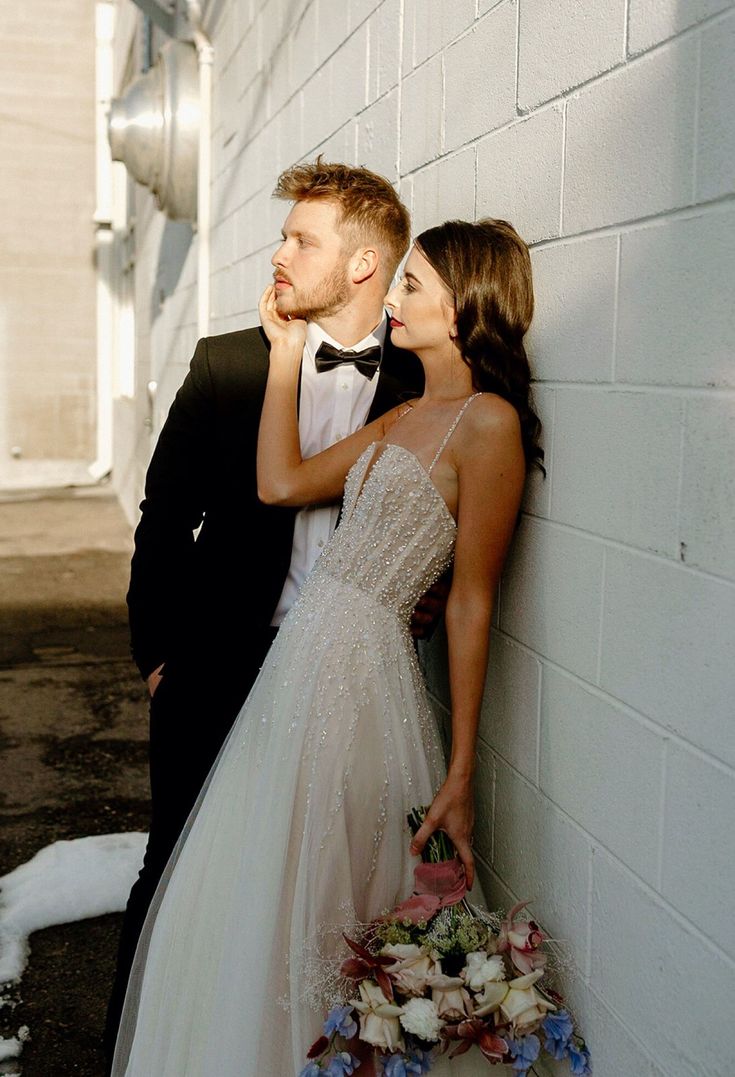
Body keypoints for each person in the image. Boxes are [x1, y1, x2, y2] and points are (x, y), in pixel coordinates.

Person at [111, 218, 544, 1076]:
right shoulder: (410, 411)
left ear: (463, 308)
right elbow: (280, 482)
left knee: (329, 887)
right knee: (251, 881)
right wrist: (281, 353)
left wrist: (459, 769)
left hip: (364, 673)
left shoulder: (486, 424)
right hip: (298, 667)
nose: (393, 298)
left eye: (413, 286)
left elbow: (469, 600)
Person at [104, 159, 429, 1064]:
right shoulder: (225, 362)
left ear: (363, 265)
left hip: (345, 680)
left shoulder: (420, 381)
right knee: (172, 871)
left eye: (302, 239)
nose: (279, 253)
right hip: (219, 665)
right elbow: (164, 517)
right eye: (285, 235)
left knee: (328, 888)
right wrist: (158, 655)